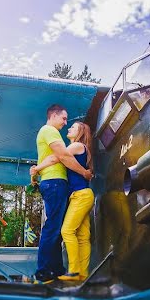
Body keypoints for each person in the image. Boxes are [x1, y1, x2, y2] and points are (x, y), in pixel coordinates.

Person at [30, 105, 92, 282]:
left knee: (58, 229)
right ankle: (43, 271)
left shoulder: (64, 139)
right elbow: (61, 157)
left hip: (58, 184)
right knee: (53, 228)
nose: (66, 123)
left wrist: (37, 169)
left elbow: (58, 157)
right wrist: (84, 172)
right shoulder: (49, 130)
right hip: (55, 182)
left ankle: (57, 270)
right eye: (64, 119)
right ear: (54, 115)